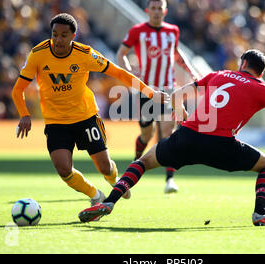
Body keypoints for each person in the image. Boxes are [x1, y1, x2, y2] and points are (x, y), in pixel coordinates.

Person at [79, 49, 265, 226]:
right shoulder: (264, 89)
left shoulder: (218, 74)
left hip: (188, 136)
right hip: (221, 146)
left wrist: (180, 111)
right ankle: (260, 213)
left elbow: (179, 92)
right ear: (260, 72)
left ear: (242, 64)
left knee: (144, 162)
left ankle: (110, 202)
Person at [11, 13, 169, 211]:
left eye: (63, 35)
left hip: (85, 117)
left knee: (104, 167)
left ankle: (114, 180)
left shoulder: (85, 54)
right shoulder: (38, 54)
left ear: (73, 36)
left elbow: (118, 72)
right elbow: (18, 90)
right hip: (56, 121)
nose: (58, 40)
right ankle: (95, 195)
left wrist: (150, 92)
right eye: (54, 34)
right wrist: (24, 114)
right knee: (63, 169)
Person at [116, 0, 198, 194]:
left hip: (169, 89)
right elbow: (121, 54)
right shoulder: (138, 31)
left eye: (159, 7)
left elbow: (177, 54)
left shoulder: (173, 31)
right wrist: (130, 74)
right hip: (147, 90)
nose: (156, 10)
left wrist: (191, 71)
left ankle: (170, 179)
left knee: (167, 132)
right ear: (147, 10)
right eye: (153, 7)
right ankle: (135, 165)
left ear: (165, 11)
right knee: (147, 133)